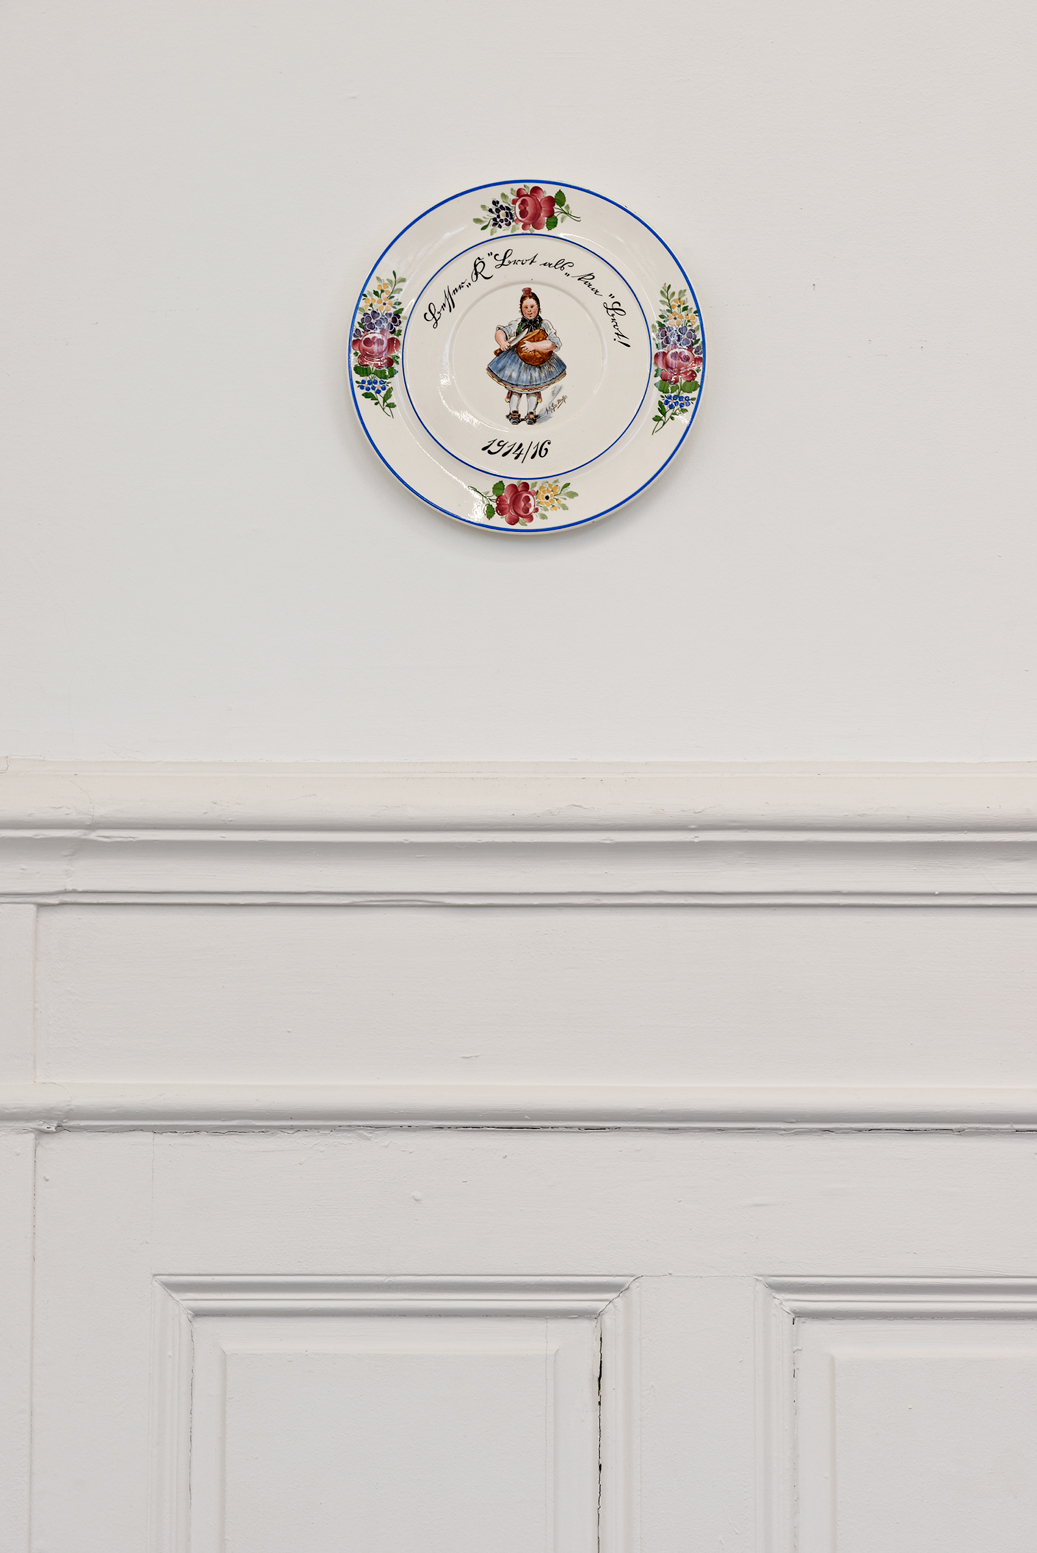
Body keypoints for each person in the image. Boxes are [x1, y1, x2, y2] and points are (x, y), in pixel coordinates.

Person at [486, 287, 566, 424]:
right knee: (515, 389)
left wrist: (535, 346)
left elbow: (554, 343)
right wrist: (502, 342)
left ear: (538, 307)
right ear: (521, 308)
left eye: (532, 307)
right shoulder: (518, 323)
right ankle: (514, 412)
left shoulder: (545, 324)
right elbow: (501, 331)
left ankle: (531, 413)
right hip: (517, 361)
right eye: (526, 307)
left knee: (533, 390)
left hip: (538, 360)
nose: (529, 310)